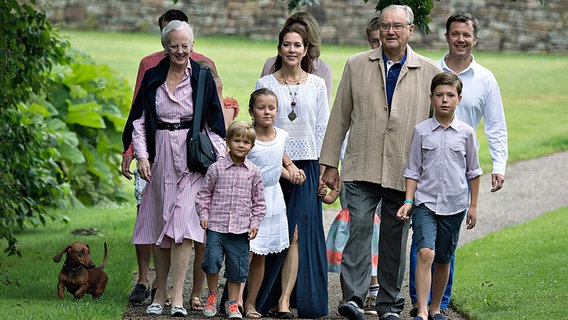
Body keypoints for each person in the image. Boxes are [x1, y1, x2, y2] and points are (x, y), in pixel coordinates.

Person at [319, 5, 441, 320]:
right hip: (361, 166)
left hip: (404, 171)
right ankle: (355, 300)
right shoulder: (356, 65)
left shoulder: (428, 71)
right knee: (358, 228)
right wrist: (330, 162)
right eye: (385, 25)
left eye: (398, 26)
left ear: (411, 30)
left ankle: (389, 304)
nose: (390, 31)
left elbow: (435, 127)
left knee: (394, 238)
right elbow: (339, 116)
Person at [408, 12, 509, 317]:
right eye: (455, 34)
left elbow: (495, 125)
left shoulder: (485, 79)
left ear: (474, 39)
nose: (460, 39)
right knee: (423, 244)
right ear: (447, 36)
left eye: (466, 34)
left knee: (445, 248)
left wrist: (499, 165)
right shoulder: (429, 70)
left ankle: (440, 303)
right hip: (426, 165)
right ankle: (419, 303)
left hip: (460, 169)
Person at [120, 9, 222, 309]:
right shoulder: (153, 76)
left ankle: (177, 295)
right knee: (161, 227)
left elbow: (215, 125)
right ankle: (160, 293)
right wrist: (141, 155)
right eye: (174, 45)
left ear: (192, 46)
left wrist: (215, 160)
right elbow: (138, 121)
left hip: (192, 158)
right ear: (166, 46)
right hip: (160, 152)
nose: (180, 51)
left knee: (184, 226)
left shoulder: (202, 76)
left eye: (185, 45)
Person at [256, 25, 330, 318]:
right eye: (286, 44)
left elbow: (323, 128)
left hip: (309, 166)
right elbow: (260, 126)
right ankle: (259, 297)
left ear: (306, 49)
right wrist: (284, 165)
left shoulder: (317, 85)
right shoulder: (265, 82)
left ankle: (285, 300)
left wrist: (326, 169)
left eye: (297, 45)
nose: (291, 50)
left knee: (297, 233)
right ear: (279, 48)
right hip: (273, 165)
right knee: (270, 232)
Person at [398, 72, 482, 320]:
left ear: (459, 99)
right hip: (425, 203)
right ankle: (422, 310)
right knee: (426, 252)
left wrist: (473, 206)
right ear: (431, 98)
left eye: (450, 95)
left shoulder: (466, 133)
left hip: (455, 204)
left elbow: (474, 172)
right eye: (439, 95)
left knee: (444, 259)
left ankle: (436, 308)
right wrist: (408, 200)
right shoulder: (421, 131)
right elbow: (413, 170)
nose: (444, 100)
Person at [196, 121, 266, 319]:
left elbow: (259, 202)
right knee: (211, 261)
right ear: (228, 142)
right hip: (216, 227)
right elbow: (204, 195)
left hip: (240, 230)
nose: (241, 145)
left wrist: (254, 224)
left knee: (237, 268)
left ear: (252, 146)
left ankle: (233, 303)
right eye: (237, 141)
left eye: (246, 142)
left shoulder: (254, 172)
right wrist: (204, 215)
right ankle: (211, 295)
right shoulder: (216, 169)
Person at [240, 88, 296, 319]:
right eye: (261, 107)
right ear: (252, 111)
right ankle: (236, 301)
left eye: (271, 108)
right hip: (249, 199)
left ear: (277, 110)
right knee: (247, 253)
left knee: (261, 254)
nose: (267, 112)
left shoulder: (281, 136)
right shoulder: (247, 137)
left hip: (272, 199)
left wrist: (292, 170)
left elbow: (276, 163)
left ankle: (251, 303)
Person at [260, 11, 333, 103]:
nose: (292, 49)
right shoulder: (270, 64)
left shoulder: (323, 69)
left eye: (301, 34)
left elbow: (323, 110)